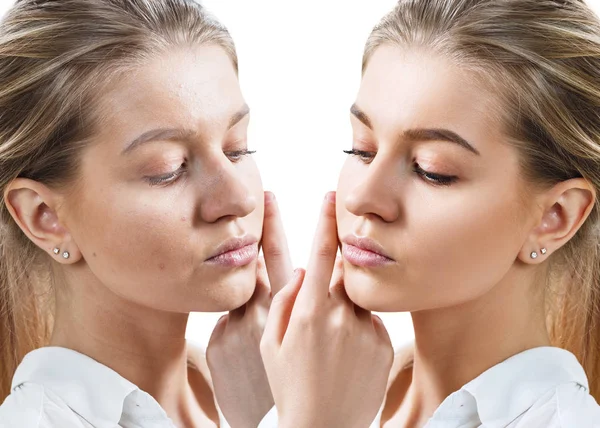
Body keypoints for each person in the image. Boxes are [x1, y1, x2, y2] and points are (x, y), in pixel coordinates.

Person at [262, 0, 600, 426]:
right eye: (362, 150)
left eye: (431, 171)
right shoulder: (319, 385)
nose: (362, 197)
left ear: (554, 217)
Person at [0, 0, 292, 426]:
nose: (238, 199)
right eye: (168, 170)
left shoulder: (260, 388)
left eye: (236, 150)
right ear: (45, 217)